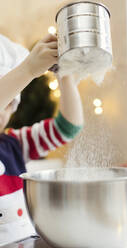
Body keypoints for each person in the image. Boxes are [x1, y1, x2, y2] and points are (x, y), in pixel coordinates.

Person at [0, 33, 84, 246]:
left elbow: (67, 127)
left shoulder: (15, 143)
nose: (3, 111)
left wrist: (65, 78)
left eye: (9, 103)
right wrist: (27, 70)